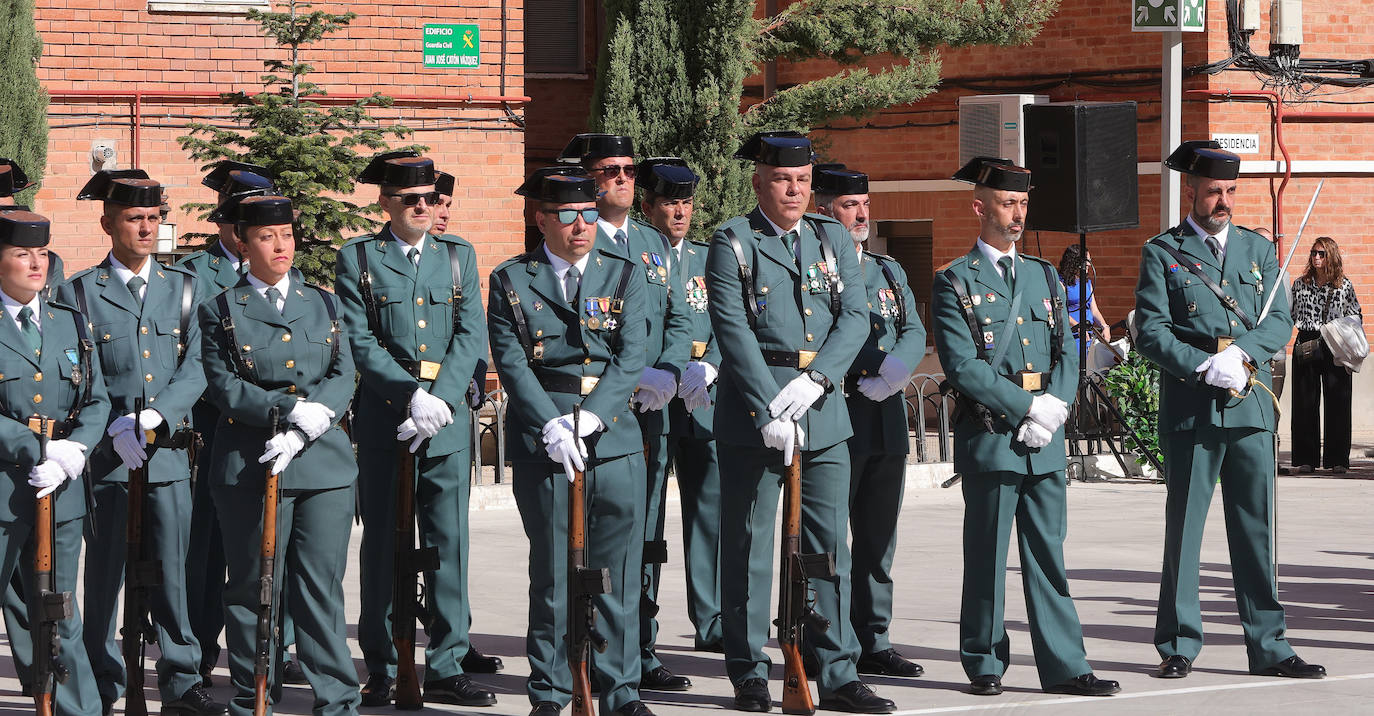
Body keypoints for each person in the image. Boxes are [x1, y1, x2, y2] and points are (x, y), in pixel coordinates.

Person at [707, 131, 892, 714]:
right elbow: (732, 331)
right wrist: (770, 404)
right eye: (784, 179)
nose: (794, 190)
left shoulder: (831, 236)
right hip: (754, 415)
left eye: (804, 181)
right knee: (751, 547)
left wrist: (816, 382)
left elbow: (855, 317)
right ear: (759, 181)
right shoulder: (733, 240)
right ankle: (749, 670)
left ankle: (836, 670)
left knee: (826, 547)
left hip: (823, 409)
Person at [1135, 143, 1323, 681]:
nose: (1223, 202)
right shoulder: (1163, 252)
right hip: (1195, 407)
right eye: (1213, 191)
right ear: (1190, 192)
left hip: (1250, 409)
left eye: (1230, 192)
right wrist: (1201, 365)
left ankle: (1269, 646)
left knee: (1255, 531)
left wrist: (1242, 355)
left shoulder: (1259, 250)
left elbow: (1280, 319)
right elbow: (1149, 330)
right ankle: (1177, 645)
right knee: (1186, 530)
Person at [932, 157, 1118, 698]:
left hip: (1046, 441)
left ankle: (1065, 665)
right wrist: (1027, 408)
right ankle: (985, 661)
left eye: (1023, 205)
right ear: (980, 207)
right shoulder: (954, 281)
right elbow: (962, 365)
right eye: (1008, 204)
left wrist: (1056, 405)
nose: (1018, 215)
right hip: (994, 436)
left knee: (1048, 557)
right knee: (987, 557)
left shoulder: (1042, 274)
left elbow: (1068, 345)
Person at [488, 170, 653, 716]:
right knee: (555, 572)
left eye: (589, 212)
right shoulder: (512, 279)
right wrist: (550, 424)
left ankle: (621, 690)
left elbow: (632, 356)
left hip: (614, 437)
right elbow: (511, 362)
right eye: (566, 215)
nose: (581, 225)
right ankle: (551, 691)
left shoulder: (626, 275)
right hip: (548, 438)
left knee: (618, 571)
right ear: (541, 220)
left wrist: (595, 418)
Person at [335, 152, 495, 706]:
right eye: (410, 199)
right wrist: (410, 396)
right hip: (387, 420)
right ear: (385, 202)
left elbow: (470, 333)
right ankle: (381, 663)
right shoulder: (358, 258)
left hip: (444, 425)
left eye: (429, 197)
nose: (423, 206)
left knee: (448, 544)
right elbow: (358, 339)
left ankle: (448, 662)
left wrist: (444, 400)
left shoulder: (457, 256)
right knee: (382, 545)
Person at [63, 170, 224, 715]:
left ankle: (181, 676)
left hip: (168, 453)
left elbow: (200, 364)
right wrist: (113, 423)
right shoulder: (80, 291)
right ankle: (103, 679)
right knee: (104, 574)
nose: (146, 228)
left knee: (174, 571)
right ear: (108, 223)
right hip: (108, 458)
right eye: (134, 218)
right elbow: (78, 369)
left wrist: (156, 415)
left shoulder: (184, 287)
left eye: (154, 218)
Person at [197, 194, 361, 714]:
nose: (280, 245)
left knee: (320, 588)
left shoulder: (325, 302)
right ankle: (253, 694)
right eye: (267, 237)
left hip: (323, 466)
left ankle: (336, 697)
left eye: (287, 235)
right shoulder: (219, 309)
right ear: (243, 245)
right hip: (253, 461)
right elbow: (222, 386)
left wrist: (316, 418)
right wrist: (287, 410)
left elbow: (343, 371)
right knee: (251, 586)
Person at [559, 134, 693, 694]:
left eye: (629, 170)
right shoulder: (569, 239)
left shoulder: (655, 245)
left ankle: (639, 645)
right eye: (609, 169)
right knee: (578, 540)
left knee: (643, 536)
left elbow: (680, 318)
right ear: (587, 179)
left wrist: (668, 371)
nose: (621, 177)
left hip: (648, 410)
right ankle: (577, 648)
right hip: (589, 413)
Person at [177, 161, 303, 688]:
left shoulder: (291, 275)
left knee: (278, 548)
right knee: (208, 550)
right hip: (215, 427)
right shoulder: (193, 274)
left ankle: (280, 648)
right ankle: (204, 646)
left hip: (280, 431)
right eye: (242, 217)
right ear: (226, 221)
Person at [814, 165, 926, 679]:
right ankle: (824, 640)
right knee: (830, 541)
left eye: (864, 205)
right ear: (823, 210)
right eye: (848, 206)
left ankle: (874, 637)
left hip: (884, 412)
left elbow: (912, 326)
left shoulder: (887, 269)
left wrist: (898, 371)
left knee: (879, 537)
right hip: (838, 406)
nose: (861, 214)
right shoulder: (816, 267)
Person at [0, 210, 110, 714]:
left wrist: (74, 450)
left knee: (60, 609)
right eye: (22, 253)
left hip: (59, 490)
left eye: (41, 253)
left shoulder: (68, 319)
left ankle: (77, 710)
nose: (35, 263)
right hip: (4, 488)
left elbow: (96, 398)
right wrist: (33, 448)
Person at [638, 158, 724, 653]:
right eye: (670, 202)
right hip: (653, 397)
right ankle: (643, 626)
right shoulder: (637, 257)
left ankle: (710, 621)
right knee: (648, 512)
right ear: (648, 207)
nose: (680, 212)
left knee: (708, 512)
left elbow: (731, 321)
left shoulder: (706, 259)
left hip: (702, 396)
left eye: (687, 203)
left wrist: (710, 365)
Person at [1289, 236, 1360, 473]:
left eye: (1321, 253)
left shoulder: (1344, 285)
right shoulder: (1300, 284)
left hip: (1335, 343)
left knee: (1339, 402)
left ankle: (1337, 460)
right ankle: (1305, 459)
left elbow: (1356, 314)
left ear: (1331, 256)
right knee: (1304, 402)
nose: (1316, 257)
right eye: (1313, 253)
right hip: (1307, 341)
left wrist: (1343, 333)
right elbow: (1289, 315)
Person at [1058, 244, 1109, 355]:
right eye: (1086, 261)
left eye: (1089, 261)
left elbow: (1094, 310)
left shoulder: (1087, 282)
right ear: (1074, 262)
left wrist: (1104, 326)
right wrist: (1077, 326)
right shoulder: (1060, 282)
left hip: (1087, 334)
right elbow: (1059, 311)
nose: (1088, 264)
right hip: (1072, 334)